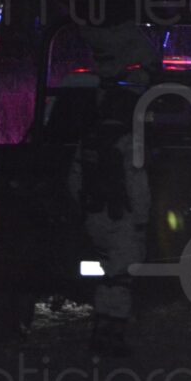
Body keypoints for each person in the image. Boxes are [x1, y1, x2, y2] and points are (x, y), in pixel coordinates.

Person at [69, 86, 151, 356]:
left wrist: (82, 212)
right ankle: (112, 337)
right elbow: (136, 183)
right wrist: (141, 219)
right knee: (121, 278)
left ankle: (99, 332)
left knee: (106, 275)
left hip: (94, 217)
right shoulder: (128, 142)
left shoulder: (89, 139)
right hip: (121, 218)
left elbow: (75, 180)